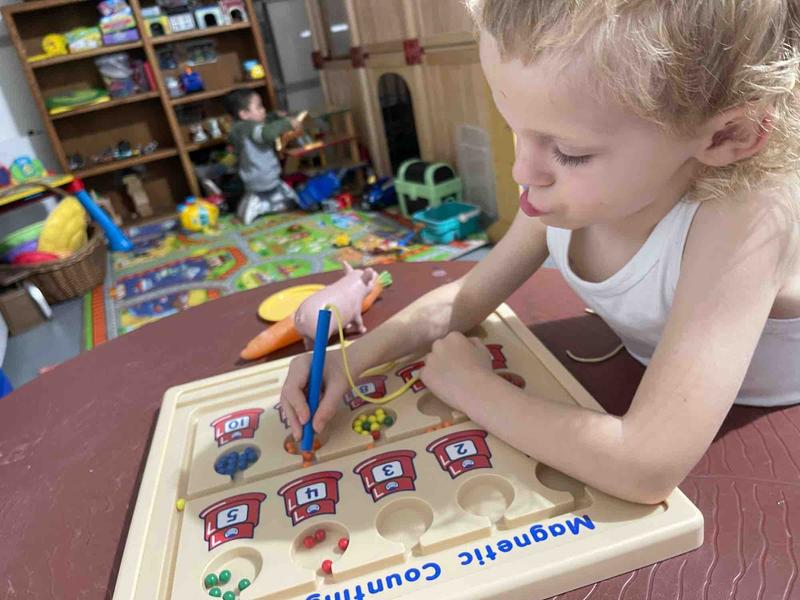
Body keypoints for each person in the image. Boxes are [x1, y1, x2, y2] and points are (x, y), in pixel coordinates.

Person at [279, 0, 800, 504]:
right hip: (649, 383)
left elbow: (647, 467)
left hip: (764, 426)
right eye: (514, 130)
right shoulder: (561, 189)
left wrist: (474, 389)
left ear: (730, 133)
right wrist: (353, 360)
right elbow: (466, 298)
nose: (521, 172)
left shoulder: (746, 213)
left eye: (570, 152)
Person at [222, 89, 301, 224]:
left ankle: (275, 200)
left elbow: (263, 121)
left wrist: (274, 116)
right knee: (284, 195)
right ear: (244, 114)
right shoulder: (251, 128)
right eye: (259, 107)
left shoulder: (239, 128)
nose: (263, 110)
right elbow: (267, 133)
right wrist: (287, 123)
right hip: (262, 177)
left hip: (256, 178)